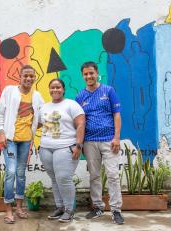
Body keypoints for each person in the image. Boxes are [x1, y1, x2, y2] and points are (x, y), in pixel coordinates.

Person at [0, 65, 44, 224]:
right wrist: (1, 132)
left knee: (21, 173)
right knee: (10, 171)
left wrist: (34, 127)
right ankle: (8, 210)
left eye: (31, 76)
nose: (29, 79)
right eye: (26, 76)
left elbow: (42, 117)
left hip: (25, 141)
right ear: (20, 77)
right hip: (10, 140)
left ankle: (19, 208)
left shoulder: (37, 96)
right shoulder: (9, 91)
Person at [75, 61, 124, 225]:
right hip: (89, 142)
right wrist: (79, 144)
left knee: (113, 176)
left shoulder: (108, 91)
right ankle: (97, 207)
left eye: (91, 73)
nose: (89, 76)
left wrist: (116, 137)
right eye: (86, 74)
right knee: (94, 176)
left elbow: (117, 114)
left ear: (97, 73)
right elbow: (79, 122)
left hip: (109, 141)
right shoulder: (80, 96)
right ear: (82, 76)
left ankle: (116, 210)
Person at [38, 78, 85, 223]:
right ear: (49, 89)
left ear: (63, 89)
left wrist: (78, 145)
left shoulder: (71, 104)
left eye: (58, 87)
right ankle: (59, 207)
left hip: (65, 147)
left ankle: (69, 210)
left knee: (64, 178)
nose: (55, 90)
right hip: (46, 147)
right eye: (52, 87)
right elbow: (37, 124)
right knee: (54, 179)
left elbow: (81, 124)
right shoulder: (44, 107)